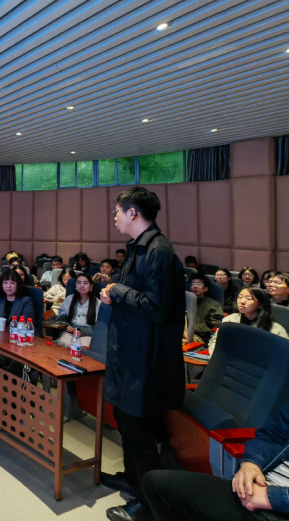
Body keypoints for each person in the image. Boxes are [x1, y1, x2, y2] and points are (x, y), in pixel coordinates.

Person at [99, 186, 185, 521]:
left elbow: (157, 307)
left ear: (133, 212)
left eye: (117, 212)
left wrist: (119, 290)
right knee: (124, 419)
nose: (115, 218)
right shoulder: (138, 247)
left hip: (146, 360)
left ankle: (150, 505)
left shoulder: (159, 251)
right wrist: (114, 293)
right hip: (130, 353)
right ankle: (134, 480)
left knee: (138, 429)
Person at [141, 391, 289, 521]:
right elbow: (272, 434)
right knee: (156, 484)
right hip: (256, 491)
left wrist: (274, 497)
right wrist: (251, 464)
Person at [207, 287, 288, 356]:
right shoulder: (229, 320)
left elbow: (285, 353)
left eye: (249, 298)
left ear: (260, 304)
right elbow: (215, 341)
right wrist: (218, 357)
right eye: (240, 297)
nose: (242, 301)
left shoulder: (275, 330)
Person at [55, 272, 100, 348]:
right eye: (79, 283)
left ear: (91, 286)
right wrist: (67, 326)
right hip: (70, 333)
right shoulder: (69, 299)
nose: (81, 286)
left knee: (80, 348)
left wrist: (81, 331)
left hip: (88, 335)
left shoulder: (98, 303)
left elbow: (99, 328)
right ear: (75, 285)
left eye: (85, 283)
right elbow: (62, 317)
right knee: (62, 346)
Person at [189, 275, 224, 344]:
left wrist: (189, 328)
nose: (195, 286)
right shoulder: (183, 302)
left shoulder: (213, 305)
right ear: (190, 287)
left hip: (199, 338)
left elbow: (214, 325)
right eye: (193, 284)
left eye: (199, 284)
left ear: (205, 289)